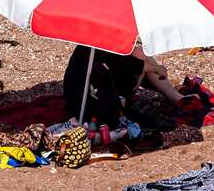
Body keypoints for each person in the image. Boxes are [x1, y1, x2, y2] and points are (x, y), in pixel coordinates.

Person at [61, 43, 189, 128]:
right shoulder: (110, 47)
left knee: (139, 56)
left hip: (76, 98)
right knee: (141, 57)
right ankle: (174, 96)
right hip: (95, 107)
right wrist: (157, 68)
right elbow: (134, 65)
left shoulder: (91, 42)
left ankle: (174, 96)